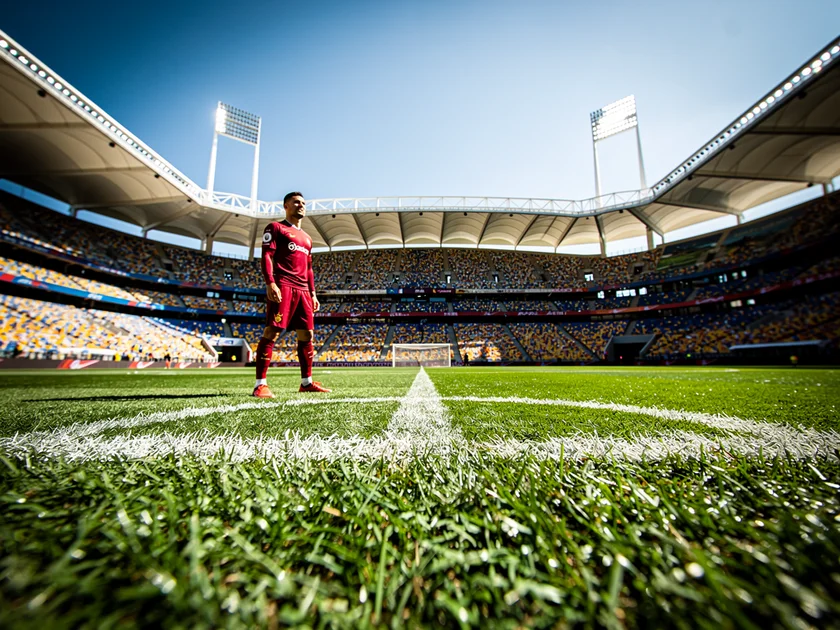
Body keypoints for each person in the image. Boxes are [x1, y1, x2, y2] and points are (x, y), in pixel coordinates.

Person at [253, 192, 330, 397]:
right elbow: (267, 255)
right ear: (286, 205)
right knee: (273, 331)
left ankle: (306, 383)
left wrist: (313, 294)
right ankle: (260, 384)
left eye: (303, 203)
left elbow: (309, 268)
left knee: (307, 334)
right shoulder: (275, 228)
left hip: (304, 290)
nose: (301, 205)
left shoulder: (307, 238)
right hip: (284, 284)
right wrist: (271, 282)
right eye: (296, 202)